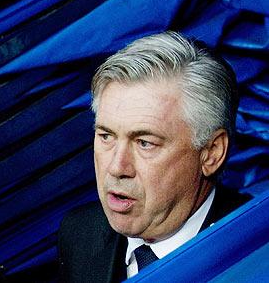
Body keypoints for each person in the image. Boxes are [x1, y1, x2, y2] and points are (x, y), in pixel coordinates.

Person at [57, 31, 250, 282]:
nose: (116, 167)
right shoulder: (80, 233)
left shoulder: (256, 250)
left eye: (145, 143)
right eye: (106, 136)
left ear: (211, 153)